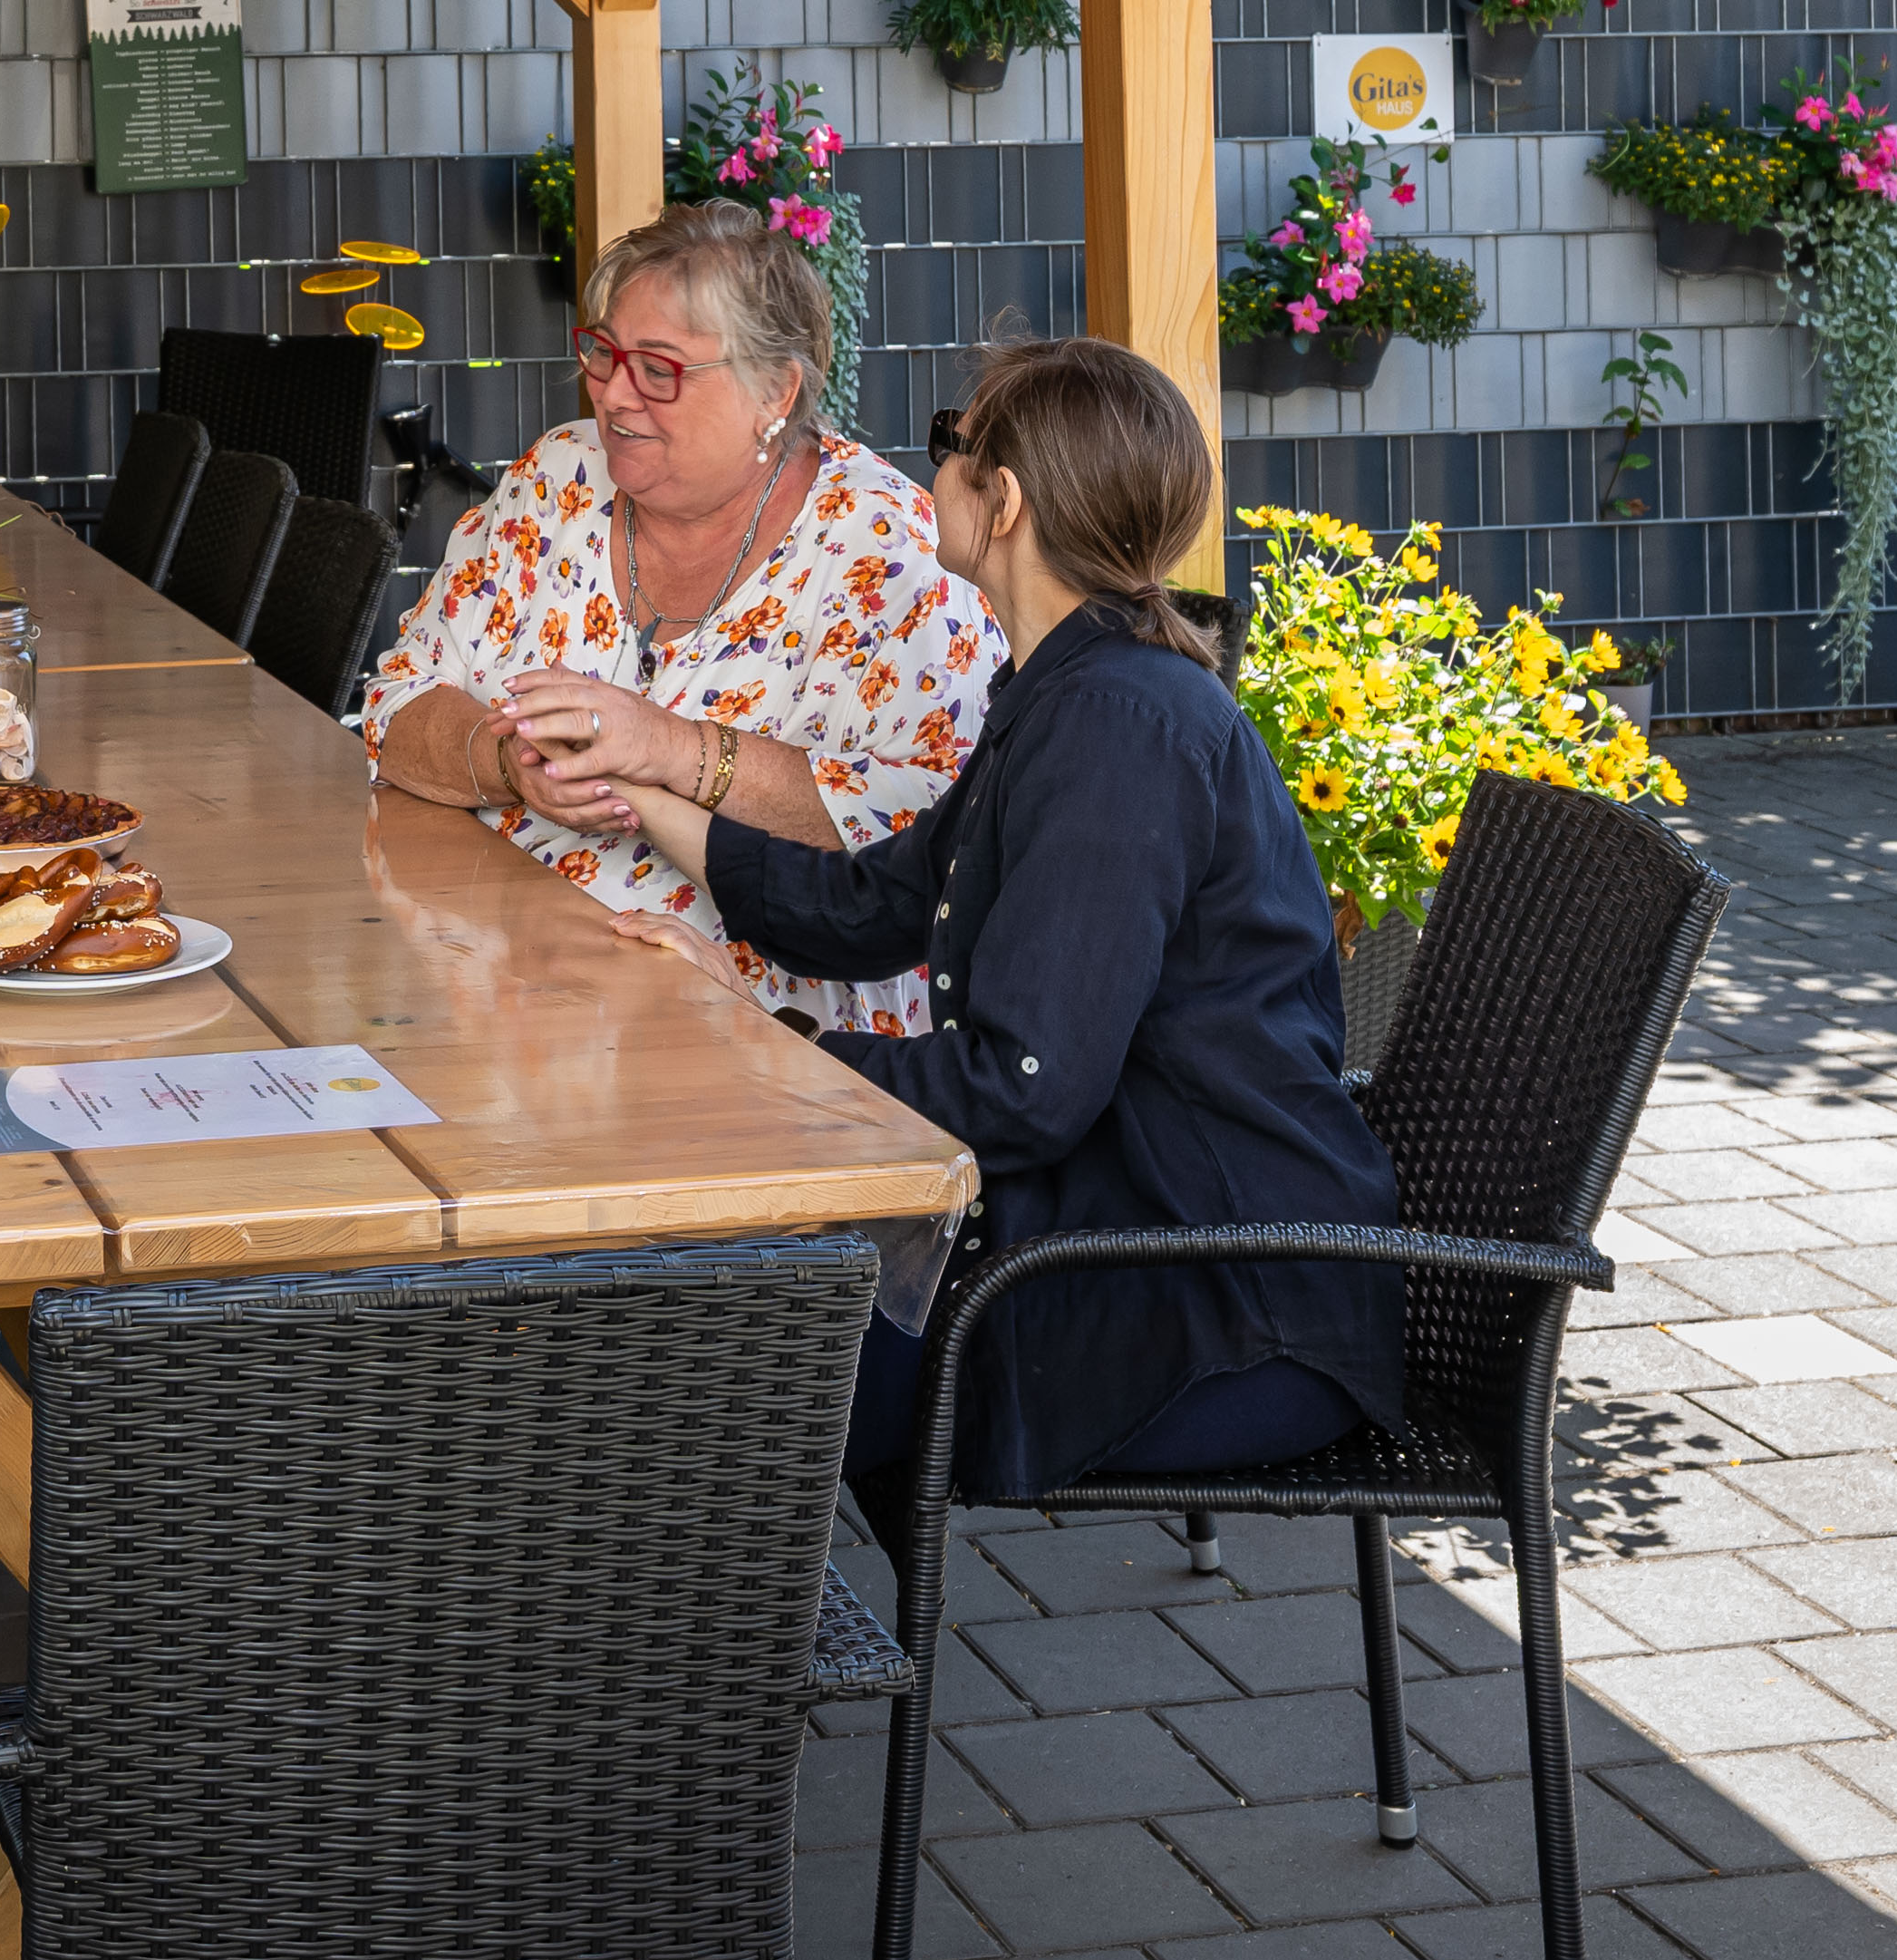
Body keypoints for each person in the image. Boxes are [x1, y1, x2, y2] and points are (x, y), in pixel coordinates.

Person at [498, 334, 1406, 1504]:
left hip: (1215, 1300)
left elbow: (1024, 1085)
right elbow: (872, 902)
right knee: (697, 1320)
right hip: (1115, 1233)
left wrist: (770, 1053)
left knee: (712, 1353)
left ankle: (704, 1602)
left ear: (1004, 499)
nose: (933, 465)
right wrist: (637, 785)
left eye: (950, 442)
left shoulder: (1116, 729)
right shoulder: (1069, 687)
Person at [352, 202, 998, 1031]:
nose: (614, 393)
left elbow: (933, 831)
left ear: (775, 390)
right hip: (495, 974)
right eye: (605, 352)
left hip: (750, 1029)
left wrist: (670, 749)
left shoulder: (893, 554)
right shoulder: (558, 478)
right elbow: (396, 705)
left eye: (659, 368)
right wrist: (508, 761)